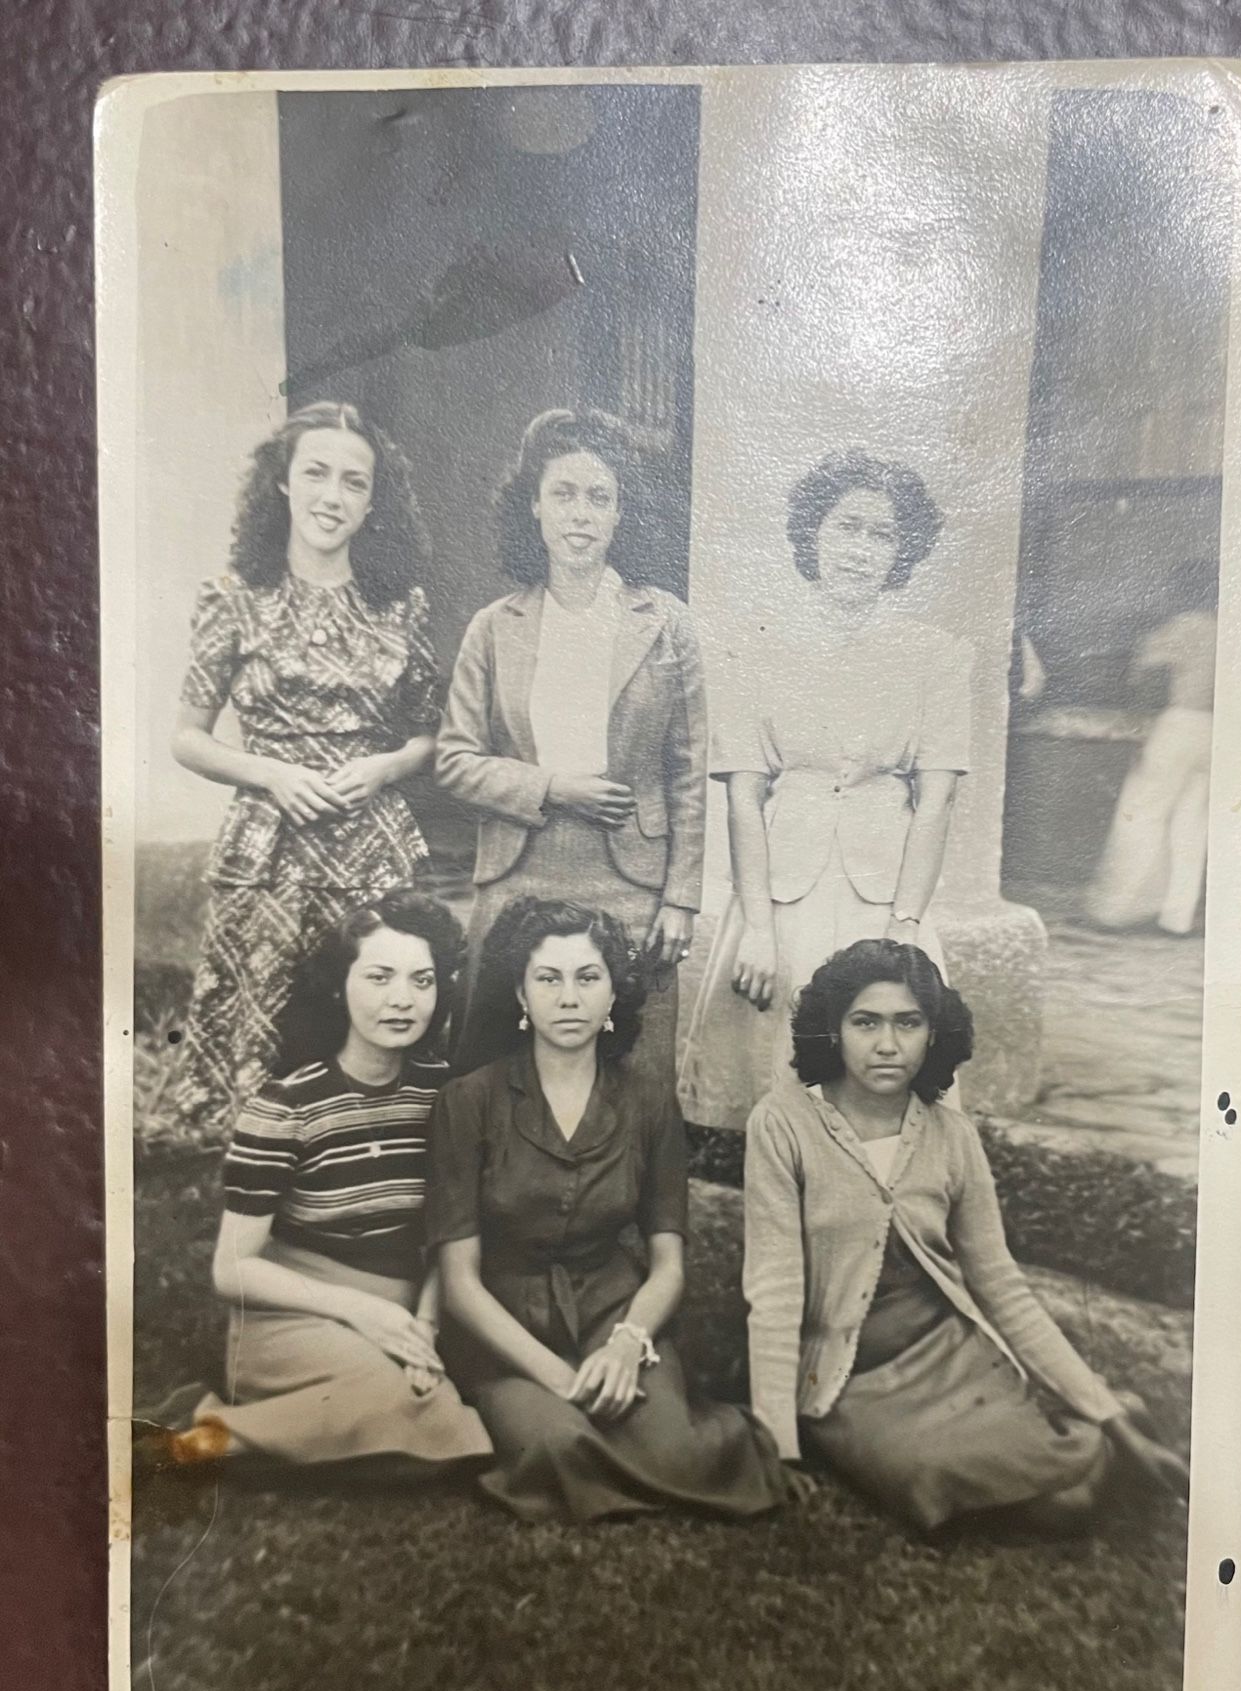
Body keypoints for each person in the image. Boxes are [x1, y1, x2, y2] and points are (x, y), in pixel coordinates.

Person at [742, 938, 1188, 1533]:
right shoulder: (782, 1124)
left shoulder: (952, 1136)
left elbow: (1001, 1285)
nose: (886, 1045)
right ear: (832, 1028)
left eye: (909, 1023)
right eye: (865, 1022)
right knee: (968, 1491)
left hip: (952, 1357)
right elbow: (774, 1293)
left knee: (1072, 1501)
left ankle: (1109, 1422)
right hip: (844, 1379)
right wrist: (778, 1442)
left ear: (933, 1034)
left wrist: (1109, 1418)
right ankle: (1100, 1437)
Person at [427, 896, 786, 1524]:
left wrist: (626, 1344)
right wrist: (554, 1374)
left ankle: (659, 1435)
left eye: (588, 978)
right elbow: (459, 1283)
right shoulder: (469, 1101)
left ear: (614, 994)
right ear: (520, 994)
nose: (569, 998)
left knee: (677, 1454)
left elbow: (669, 1263)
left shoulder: (649, 1102)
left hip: (613, 1310)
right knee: (558, 1445)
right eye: (548, 978)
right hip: (504, 1324)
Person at [146, 889, 492, 1474]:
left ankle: (260, 1427)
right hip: (290, 1312)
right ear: (339, 986)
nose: (402, 1000)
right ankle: (196, 1445)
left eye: (422, 981)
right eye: (379, 977)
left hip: (408, 1311)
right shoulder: (287, 1106)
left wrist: (426, 1327)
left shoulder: (447, 1094)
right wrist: (363, 1311)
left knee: (451, 1421)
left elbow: (451, 1230)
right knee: (429, 1419)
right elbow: (231, 1270)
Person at [679, 449, 971, 1130]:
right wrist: (755, 923)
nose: (861, 549)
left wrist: (905, 926)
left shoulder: (936, 655)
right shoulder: (758, 646)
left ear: (902, 552)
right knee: (780, 1079)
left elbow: (937, 799)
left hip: (886, 892)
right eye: (847, 527)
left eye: (882, 535)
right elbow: (744, 796)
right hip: (782, 890)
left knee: (883, 1066)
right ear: (814, 532)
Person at [171, 401, 442, 1130]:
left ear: (373, 499)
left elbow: (430, 737)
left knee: (369, 1017)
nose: (333, 495)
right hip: (270, 846)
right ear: (284, 483)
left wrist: (385, 767)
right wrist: (270, 773)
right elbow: (189, 738)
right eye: (316, 473)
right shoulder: (233, 599)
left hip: (370, 848)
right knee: (265, 1036)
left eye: (354, 482)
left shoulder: (401, 607)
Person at [435, 408, 706, 1083]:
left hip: (632, 882)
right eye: (562, 493)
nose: (580, 514)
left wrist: (681, 898)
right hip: (518, 873)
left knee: (632, 1083)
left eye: (599, 496)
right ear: (533, 506)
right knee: (492, 1075)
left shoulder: (666, 623)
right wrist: (552, 787)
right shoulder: (495, 627)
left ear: (621, 514)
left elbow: (689, 773)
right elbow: (454, 760)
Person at [1084, 597, 1217, 937]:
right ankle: (1177, 919)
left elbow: (1144, 664)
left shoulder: (1187, 622)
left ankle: (1116, 911)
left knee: (1141, 813)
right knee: (1191, 824)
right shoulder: (1228, 625)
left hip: (1181, 721)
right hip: (1216, 727)